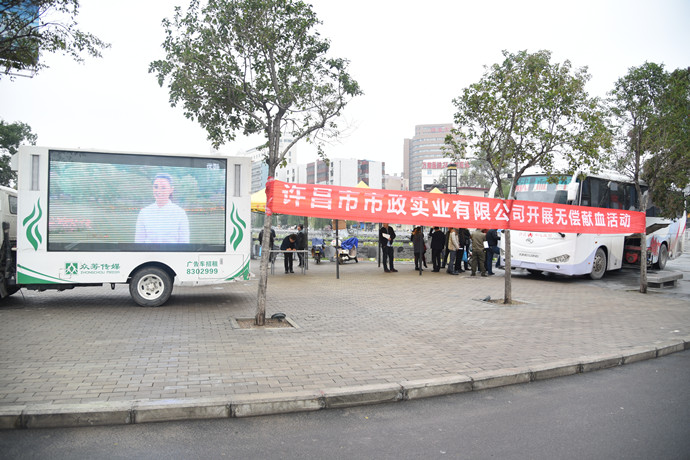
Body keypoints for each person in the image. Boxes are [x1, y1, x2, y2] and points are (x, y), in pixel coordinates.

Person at [135, 173, 189, 244]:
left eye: (163, 187)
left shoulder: (180, 214)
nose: (158, 191)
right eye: (156, 187)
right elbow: (138, 242)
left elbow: (184, 243)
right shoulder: (144, 213)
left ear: (171, 190)